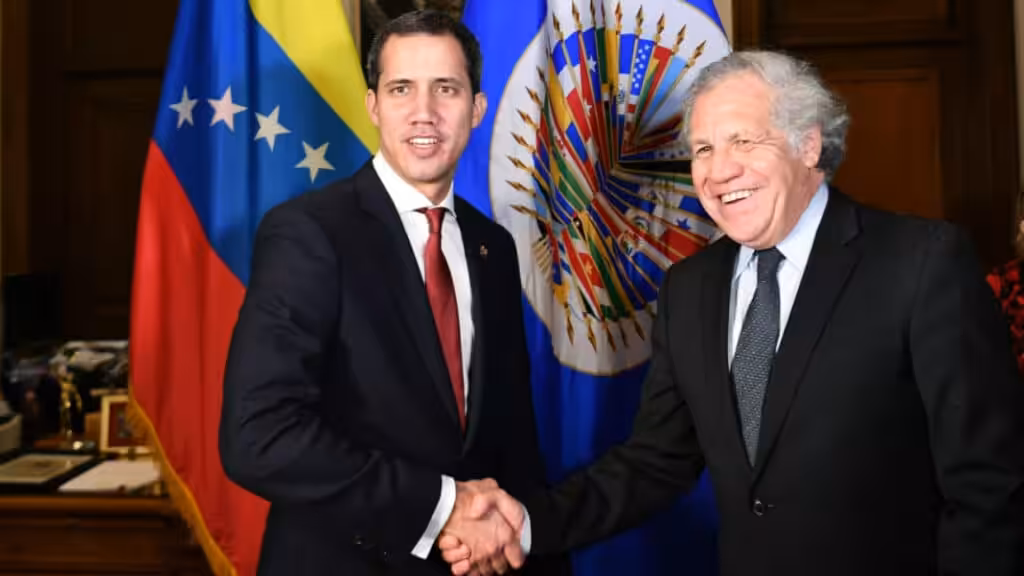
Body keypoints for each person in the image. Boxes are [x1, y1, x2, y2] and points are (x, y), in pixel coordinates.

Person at [441, 50, 1024, 575]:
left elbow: (988, 488)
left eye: (744, 142)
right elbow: (655, 462)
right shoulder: (689, 288)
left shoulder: (920, 264)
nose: (718, 172)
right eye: (703, 149)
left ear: (809, 145)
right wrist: (524, 521)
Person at [219, 10, 569, 576]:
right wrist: (444, 506)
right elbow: (259, 435)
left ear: (477, 109)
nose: (424, 112)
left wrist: (527, 550)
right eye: (401, 88)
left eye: (446, 89)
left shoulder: (493, 247)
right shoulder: (309, 233)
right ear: (373, 105)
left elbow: (512, 443)